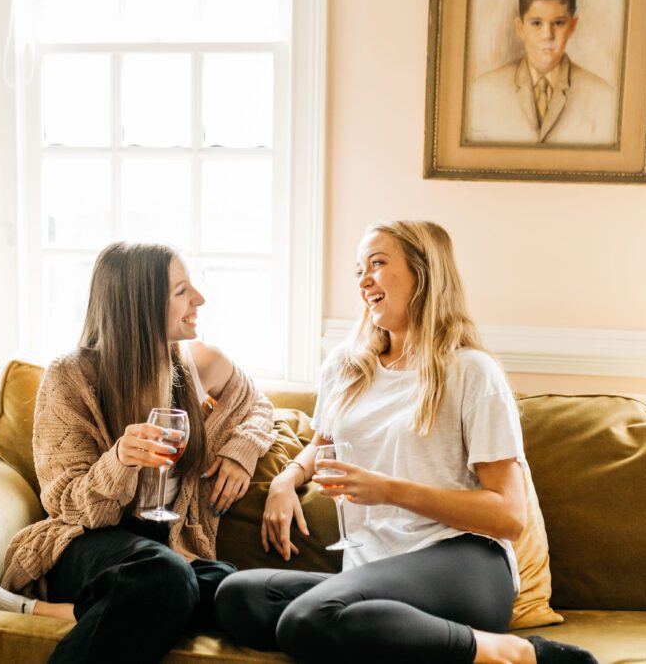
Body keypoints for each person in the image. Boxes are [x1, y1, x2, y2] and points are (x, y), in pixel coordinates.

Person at [214, 221, 597, 664]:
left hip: (463, 562)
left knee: (307, 619)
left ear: (424, 272)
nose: (364, 280)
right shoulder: (346, 365)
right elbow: (323, 444)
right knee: (238, 597)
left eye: (377, 264)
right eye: (359, 269)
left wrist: (388, 489)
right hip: (376, 567)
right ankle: (384, 631)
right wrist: (287, 478)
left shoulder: (470, 372)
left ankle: (513, 652)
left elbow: (509, 517)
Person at [0, 242, 276, 663]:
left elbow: (258, 407)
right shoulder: (70, 377)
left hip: (169, 545)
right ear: (139, 302)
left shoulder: (203, 363)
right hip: (84, 542)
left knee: (232, 593)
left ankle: (31, 610)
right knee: (166, 575)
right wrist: (119, 461)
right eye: (181, 291)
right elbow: (66, 503)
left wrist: (240, 450)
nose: (200, 299)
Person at [467, 0, 617, 145]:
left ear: (572, 26)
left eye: (558, 23)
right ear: (520, 27)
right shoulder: (484, 90)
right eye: (537, 23)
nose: (547, 35)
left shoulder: (602, 96)